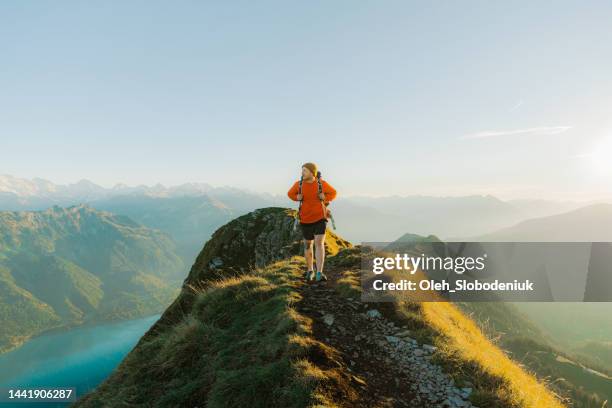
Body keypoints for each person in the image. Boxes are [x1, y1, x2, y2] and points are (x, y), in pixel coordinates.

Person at [287, 162, 337, 281]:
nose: (302, 173)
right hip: (305, 218)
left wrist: (325, 197)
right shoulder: (299, 185)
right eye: (302, 170)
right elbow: (290, 194)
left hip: (320, 217)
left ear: (311, 172)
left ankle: (319, 272)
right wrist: (296, 198)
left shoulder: (321, 184)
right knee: (308, 244)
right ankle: (310, 271)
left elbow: (334, 193)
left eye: (304, 170)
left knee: (319, 244)